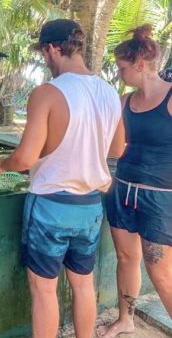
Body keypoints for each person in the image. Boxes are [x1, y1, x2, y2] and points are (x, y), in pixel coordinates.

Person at [0, 19, 123, 338]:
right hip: (91, 205)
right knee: (82, 285)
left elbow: (24, 158)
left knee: (44, 291)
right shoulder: (109, 93)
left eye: (43, 54)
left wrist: (1, 164)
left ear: (52, 49)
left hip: (51, 205)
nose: (45, 61)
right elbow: (117, 149)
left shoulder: (48, 93)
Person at [97, 25, 172, 338]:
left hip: (160, 197)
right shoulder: (125, 101)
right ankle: (126, 319)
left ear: (140, 65)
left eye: (122, 67)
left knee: (160, 272)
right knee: (126, 259)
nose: (119, 73)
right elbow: (115, 150)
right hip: (123, 190)